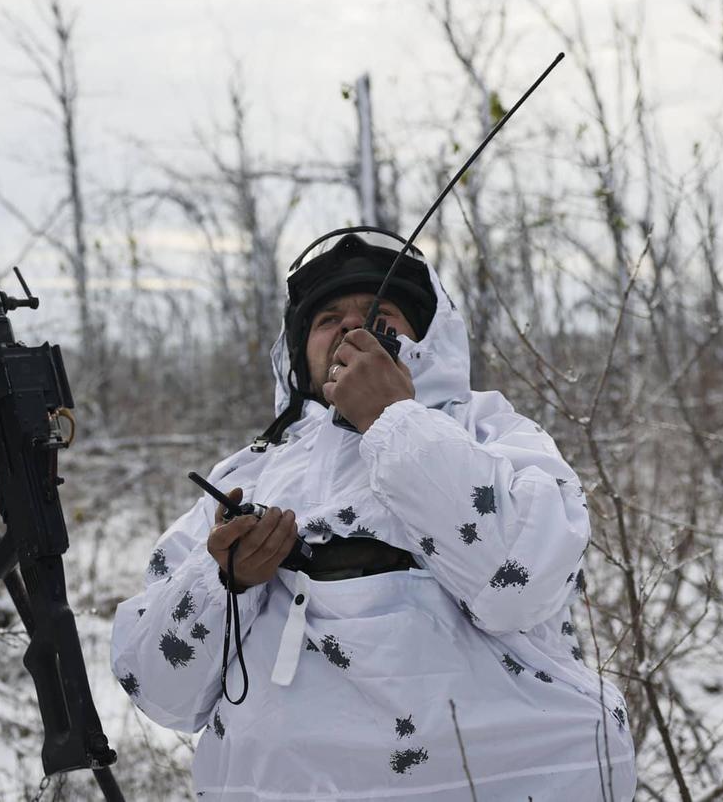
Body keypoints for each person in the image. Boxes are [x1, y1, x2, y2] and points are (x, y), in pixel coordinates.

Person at [111, 228, 636, 800]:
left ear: (424, 337)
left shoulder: (495, 435)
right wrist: (225, 584)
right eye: (327, 317)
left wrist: (395, 419)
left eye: (377, 310)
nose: (348, 326)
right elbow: (159, 690)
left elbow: (520, 585)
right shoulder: (246, 476)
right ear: (298, 353)